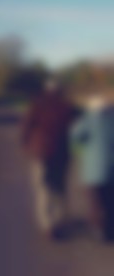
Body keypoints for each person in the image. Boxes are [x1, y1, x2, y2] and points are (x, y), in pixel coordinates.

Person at [21, 78, 76, 240]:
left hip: (41, 153)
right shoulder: (67, 107)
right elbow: (77, 124)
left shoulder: (37, 105)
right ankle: (59, 221)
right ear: (60, 91)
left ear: (46, 90)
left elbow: (26, 126)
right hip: (61, 153)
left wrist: (25, 144)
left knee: (43, 188)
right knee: (60, 187)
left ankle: (47, 224)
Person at [70, 95, 114, 242]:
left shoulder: (87, 121)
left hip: (92, 172)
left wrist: (80, 152)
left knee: (95, 203)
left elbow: (75, 136)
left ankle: (99, 230)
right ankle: (109, 230)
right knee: (109, 202)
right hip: (111, 170)